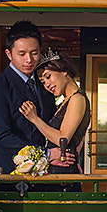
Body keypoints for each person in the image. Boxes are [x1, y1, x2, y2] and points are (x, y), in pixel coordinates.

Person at [0, 21, 56, 174]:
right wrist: (46, 153)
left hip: (44, 175)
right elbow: (2, 137)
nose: (29, 59)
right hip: (8, 172)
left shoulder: (46, 84)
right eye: (22, 54)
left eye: (34, 53)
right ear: (9, 54)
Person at [20, 51, 91, 179]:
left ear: (64, 70)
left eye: (48, 77)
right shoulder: (65, 101)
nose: (47, 84)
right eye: (42, 82)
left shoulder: (77, 99)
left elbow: (62, 138)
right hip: (59, 168)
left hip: (64, 172)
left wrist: (34, 119)